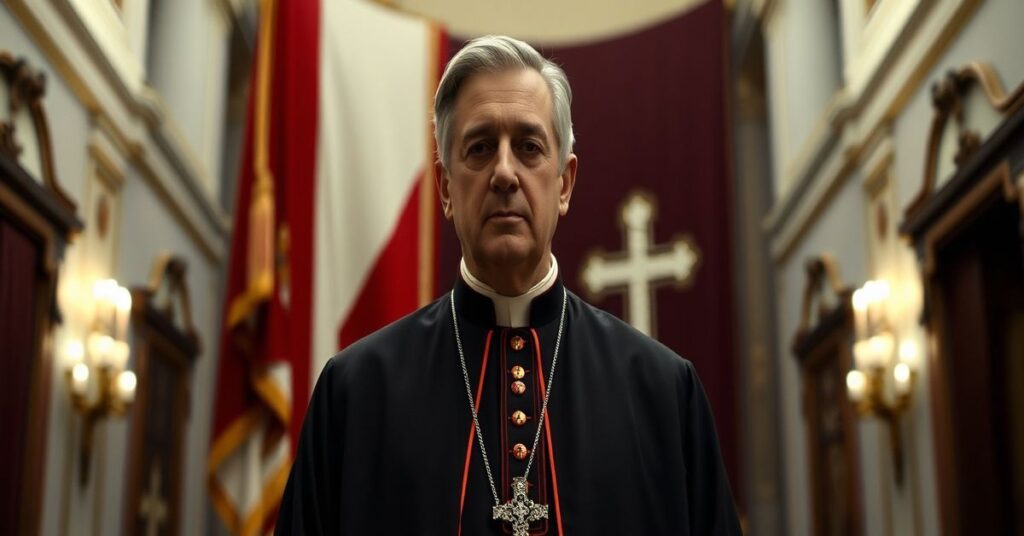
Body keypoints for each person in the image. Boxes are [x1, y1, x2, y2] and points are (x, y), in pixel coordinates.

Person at [276, 35, 741, 535]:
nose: (503, 172)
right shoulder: (355, 394)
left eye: (528, 146)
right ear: (446, 187)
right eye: (479, 149)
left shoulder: (665, 394)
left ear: (564, 183)